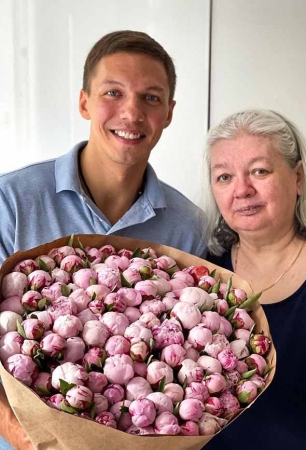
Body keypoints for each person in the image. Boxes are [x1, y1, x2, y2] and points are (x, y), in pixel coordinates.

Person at [0, 30, 207, 450]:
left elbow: (189, 355)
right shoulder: (12, 201)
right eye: (113, 92)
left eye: (150, 98)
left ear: (168, 113)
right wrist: (24, 436)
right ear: (84, 102)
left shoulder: (189, 225)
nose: (131, 113)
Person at [203, 109, 306, 450]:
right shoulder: (201, 276)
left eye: (259, 171)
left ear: (299, 177)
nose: (242, 190)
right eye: (224, 177)